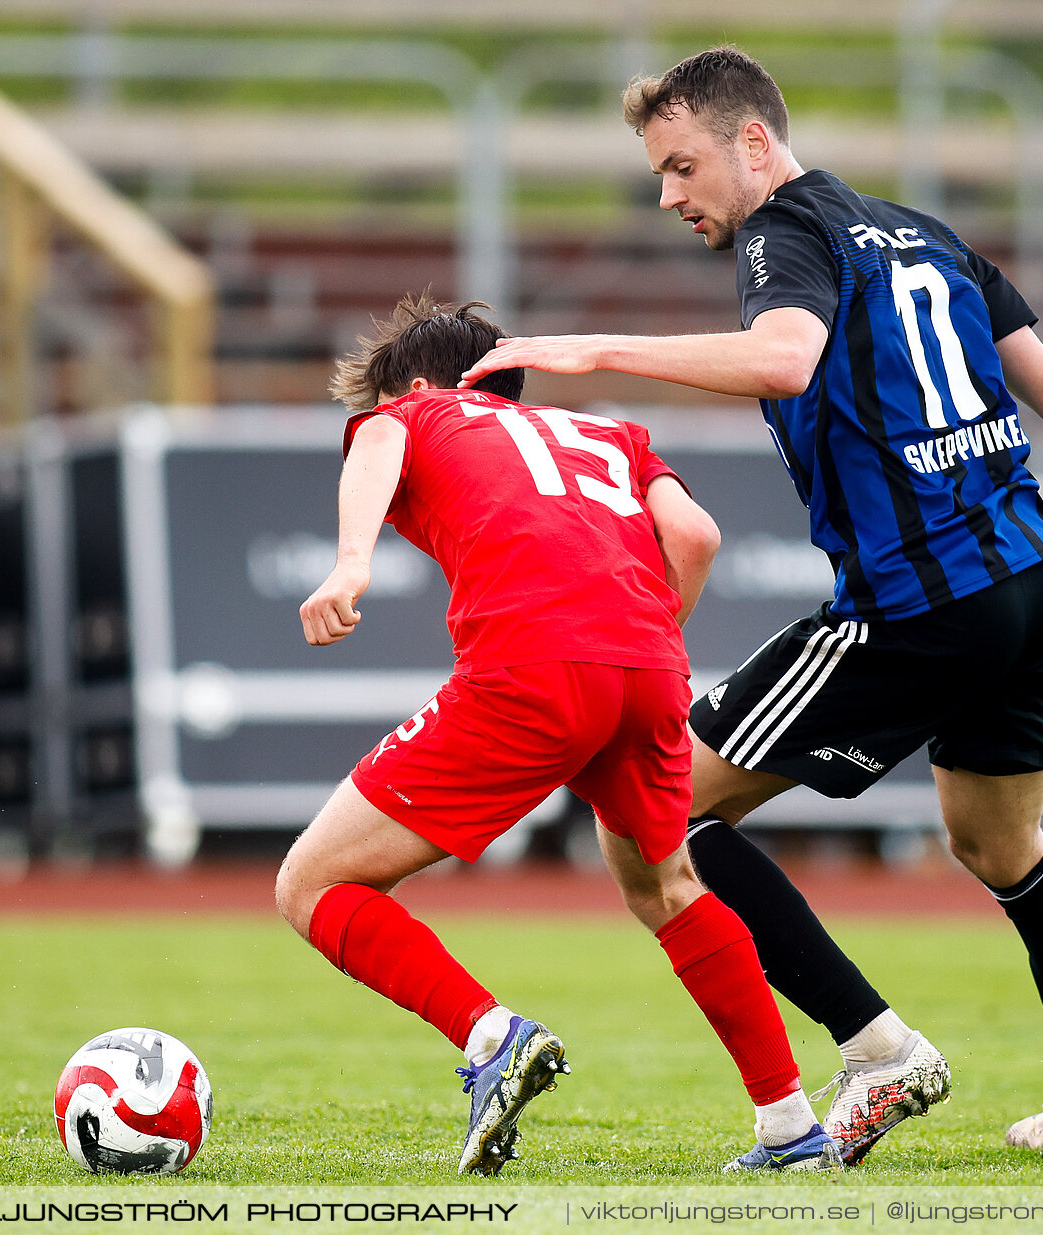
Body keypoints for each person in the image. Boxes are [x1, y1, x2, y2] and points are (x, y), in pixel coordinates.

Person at [460, 46, 1043, 1163]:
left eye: (680, 166)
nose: (669, 196)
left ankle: (879, 1050)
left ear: (753, 143)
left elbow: (786, 358)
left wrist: (588, 350)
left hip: (923, 598)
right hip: (1027, 577)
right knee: (1002, 847)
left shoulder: (782, 234)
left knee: (650, 813)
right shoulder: (922, 232)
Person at [275, 291, 844, 1175]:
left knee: (312, 883)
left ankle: (491, 1035)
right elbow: (695, 534)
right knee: (669, 885)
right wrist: (645, 639)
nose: (376, 416)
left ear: (423, 383)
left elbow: (384, 438)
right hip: (650, 669)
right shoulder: (608, 435)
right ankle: (791, 1126)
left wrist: (352, 562)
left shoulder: (414, 412)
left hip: (532, 668)